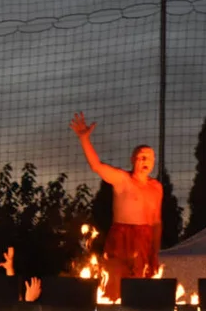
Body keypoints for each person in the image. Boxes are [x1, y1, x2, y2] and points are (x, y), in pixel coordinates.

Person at [70, 112, 163, 300]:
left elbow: (156, 222)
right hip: (120, 236)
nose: (145, 160)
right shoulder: (122, 179)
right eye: (141, 157)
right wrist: (84, 139)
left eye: (149, 157)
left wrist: (155, 252)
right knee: (114, 286)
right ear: (133, 160)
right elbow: (97, 166)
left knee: (139, 287)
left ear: (154, 163)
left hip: (144, 239)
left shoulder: (156, 187)